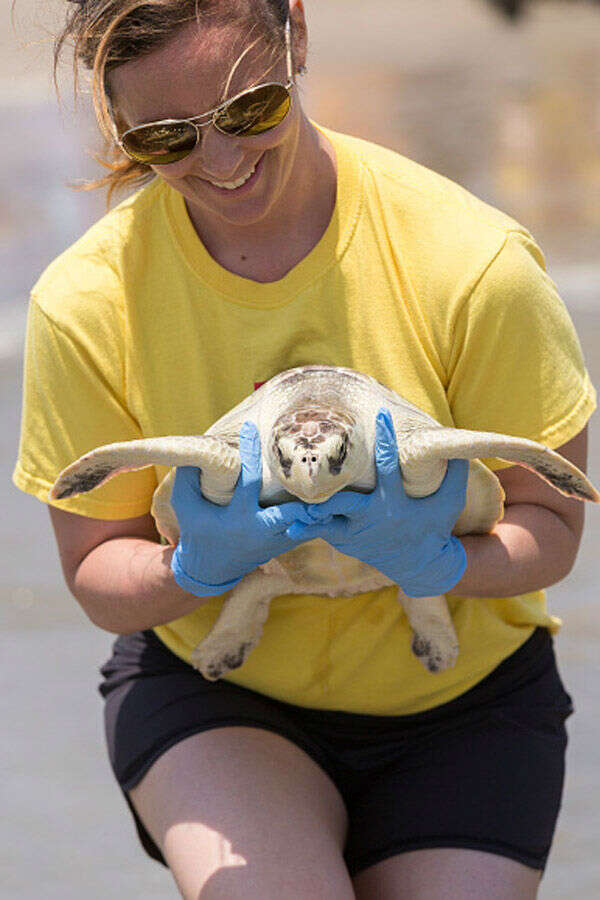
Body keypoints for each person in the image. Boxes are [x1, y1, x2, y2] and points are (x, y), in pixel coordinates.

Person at [13, 1, 596, 897]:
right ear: (119, 124)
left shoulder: (473, 262)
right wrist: (198, 570)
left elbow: (553, 524)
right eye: (167, 138)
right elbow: (97, 573)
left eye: (252, 109)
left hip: (468, 704)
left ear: (298, 36)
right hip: (217, 693)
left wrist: (437, 560)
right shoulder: (87, 302)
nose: (223, 161)